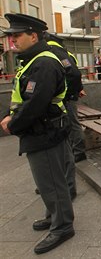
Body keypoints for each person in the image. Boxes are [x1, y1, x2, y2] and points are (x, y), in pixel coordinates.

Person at [0, 13, 75, 254]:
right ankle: (55, 215)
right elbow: (23, 96)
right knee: (49, 181)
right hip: (41, 130)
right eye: (11, 36)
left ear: (34, 35)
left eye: (17, 35)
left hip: (45, 131)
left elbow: (36, 103)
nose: (13, 40)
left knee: (51, 182)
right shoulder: (33, 60)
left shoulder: (44, 62)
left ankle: (62, 225)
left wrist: (13, 124)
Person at [45, 33, 87, 163]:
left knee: (72, 123)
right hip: (67, 96)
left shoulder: (55, 52)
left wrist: (71, 92)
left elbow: (73, 74)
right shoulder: (63, 52)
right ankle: (74, 150)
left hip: (65, 98)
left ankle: (79, 152)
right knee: (71, 123)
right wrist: (77, 89)